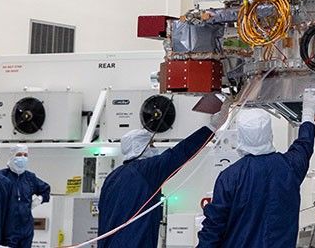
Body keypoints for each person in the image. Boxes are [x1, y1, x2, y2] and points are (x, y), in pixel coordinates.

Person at [97, 100, 232, 248]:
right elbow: (180, 153)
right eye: (151, 145)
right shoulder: (146, 170)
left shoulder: (113, 177)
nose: (154, 149)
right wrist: (212, 127)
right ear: (139, 148)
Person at [197, 88, 315, 248]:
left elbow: (213, 229)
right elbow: (305, 144)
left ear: (240, 136)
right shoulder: (289, 167)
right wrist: (308, 112)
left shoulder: (229, 177)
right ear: (270, 134)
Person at [0, 144, 51, 248]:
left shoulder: (30, 178)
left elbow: (46, 189)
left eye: (25, 155)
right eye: (19, 155)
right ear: (12, 156)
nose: (22, 158)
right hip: (7, 230)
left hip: (26, 229)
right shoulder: (0, 177)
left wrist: (39, 200)